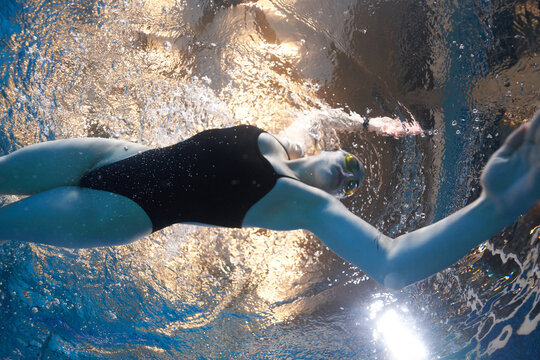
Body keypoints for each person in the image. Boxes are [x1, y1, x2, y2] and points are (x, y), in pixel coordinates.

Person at [1, 110, 539, 290]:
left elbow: (393, 262)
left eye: (350, 185)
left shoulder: (301, 205)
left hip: (118, 211)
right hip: (109, 154)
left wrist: (495, 206)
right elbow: (323, 117)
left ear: (336, 198)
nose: (343, 175)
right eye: (348, 163)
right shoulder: (278, 140)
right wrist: (377, 125)